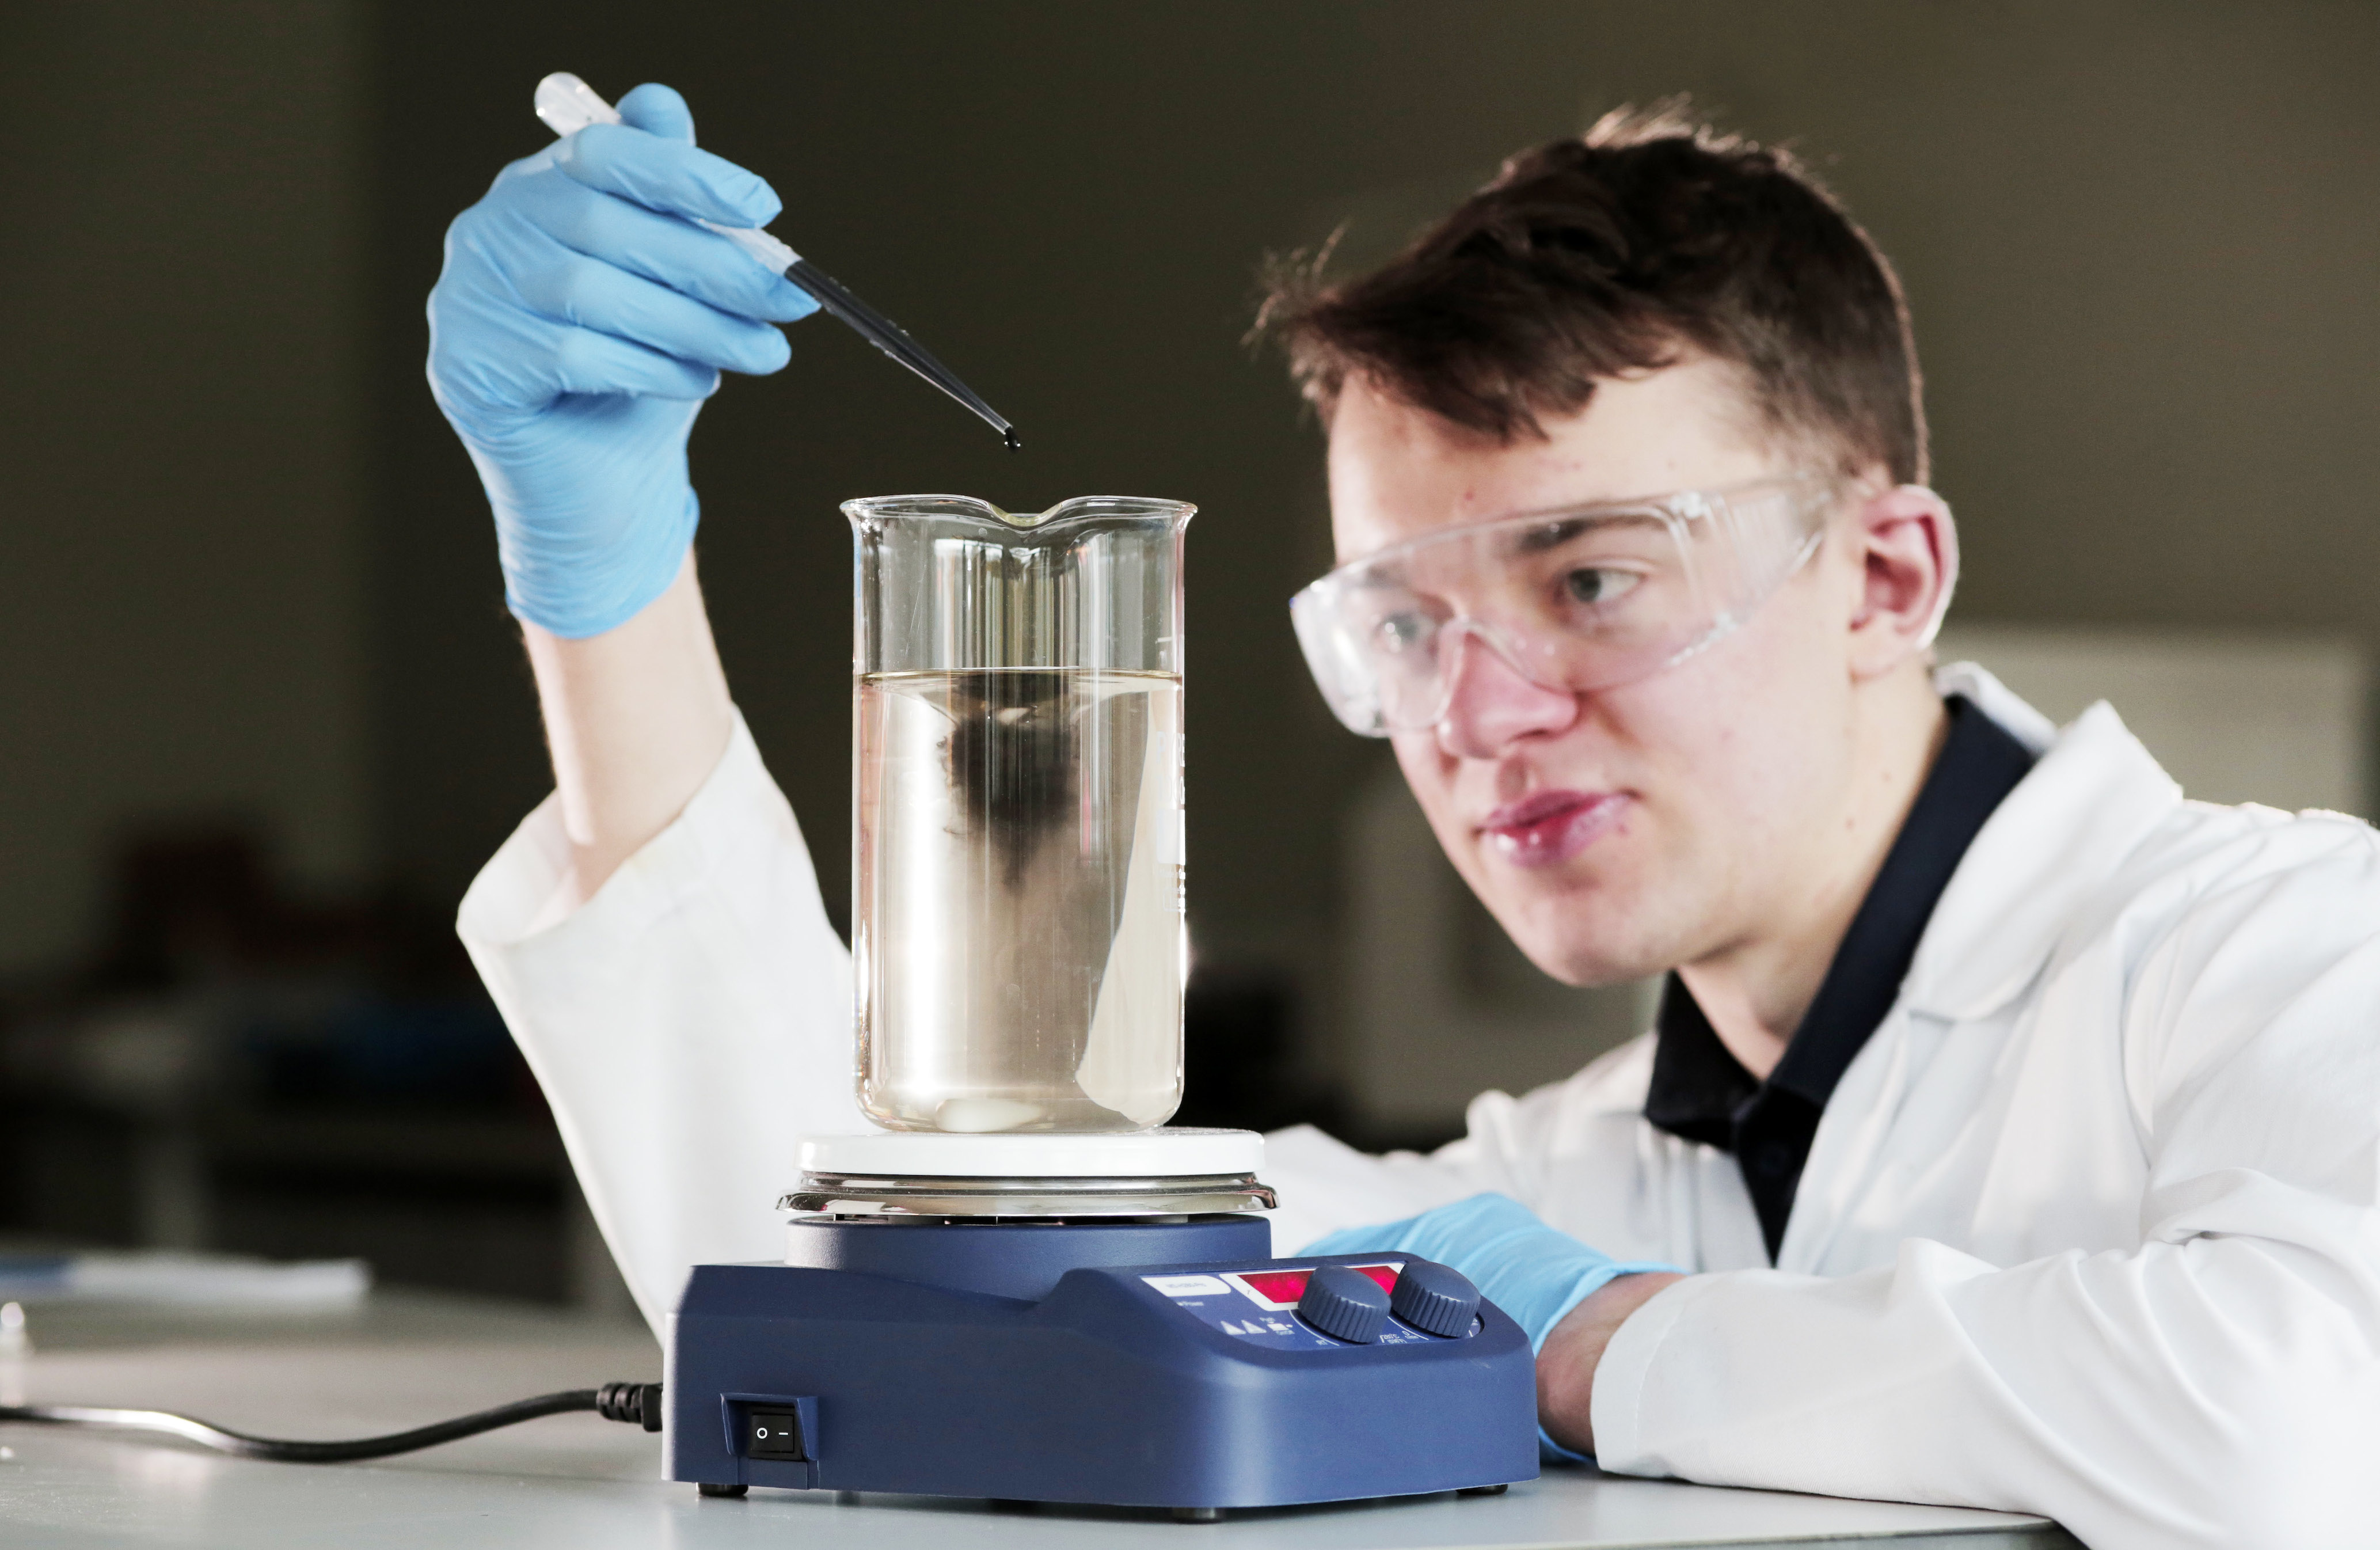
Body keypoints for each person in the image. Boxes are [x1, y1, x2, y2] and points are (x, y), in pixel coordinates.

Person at [427, 84, 2380, 1549]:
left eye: (1592, 579)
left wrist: (1593, 1340)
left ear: (1884, 576)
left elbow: (2313, 1416)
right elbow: (858, 1294)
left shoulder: (2286, 947)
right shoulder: (1579, 1170)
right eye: (1403, 624)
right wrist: (600, 582)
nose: (1479, 714)